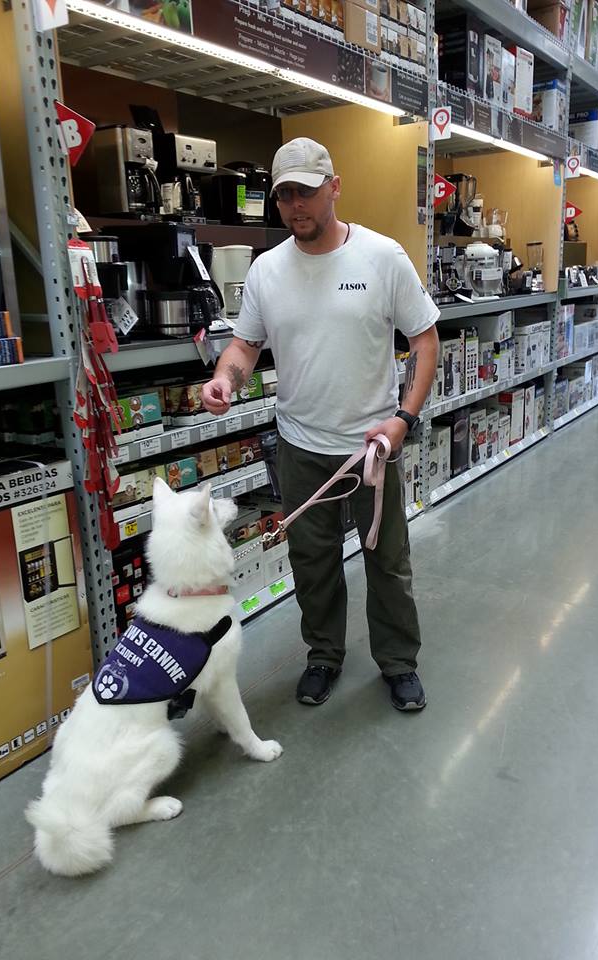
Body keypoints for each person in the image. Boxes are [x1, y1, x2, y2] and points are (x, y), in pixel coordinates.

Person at [202, 137, 440, 710]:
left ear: (333, 187)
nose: (295, 206)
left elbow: (425, 340)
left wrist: (403, 419)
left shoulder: (382, 258)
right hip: (300, 446)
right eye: (284, 195)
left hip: (371, 451)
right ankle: (324, 656)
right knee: (313, 563)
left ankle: (398, 662)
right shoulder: (266, 271)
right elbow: (245, 343)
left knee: (387, 562)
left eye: (305, 192)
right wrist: (226, 379)